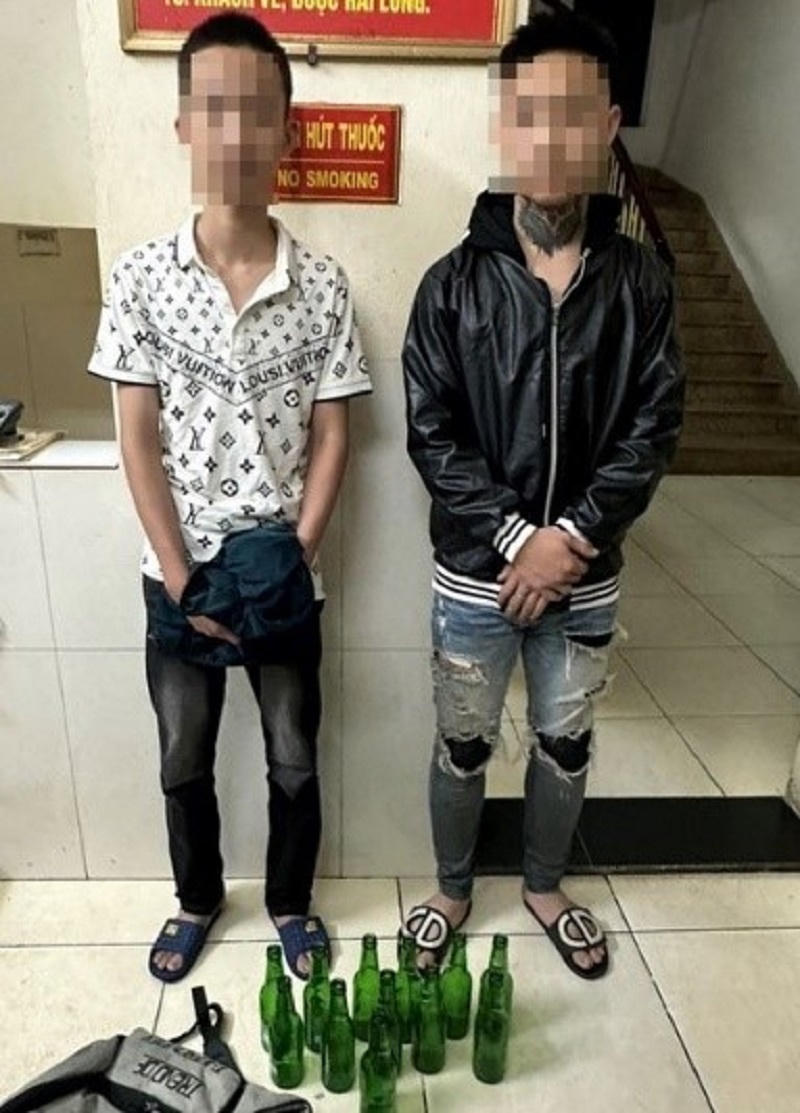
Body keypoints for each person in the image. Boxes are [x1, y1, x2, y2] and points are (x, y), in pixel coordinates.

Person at [401, 10, 684, 979]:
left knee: (564, 745)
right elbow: (431, 432)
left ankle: (544, 886)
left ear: (605, 125)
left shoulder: (642, 284)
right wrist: (520, 537)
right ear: (504, 125)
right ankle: (449, 889)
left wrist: (571, 539)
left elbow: (654, 425)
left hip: (584, 578)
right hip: (475, 575)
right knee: (462, 743)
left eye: (571, 113)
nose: (549, 136)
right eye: (529, 113)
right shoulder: (449, 285)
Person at [89, 13, 371, 982]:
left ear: (286, 130)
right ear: (182, 125)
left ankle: (290, 903)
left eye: (256, 112)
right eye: (212, 109)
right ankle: (197, 897)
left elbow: (334, 434)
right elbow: (136, 438)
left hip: (284, 571)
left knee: (294, 754)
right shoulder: (138, 278)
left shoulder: (324, 285)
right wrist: (181, 578)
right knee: (182, 755)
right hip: (177, 572)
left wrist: (295, 553)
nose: (234, 133)